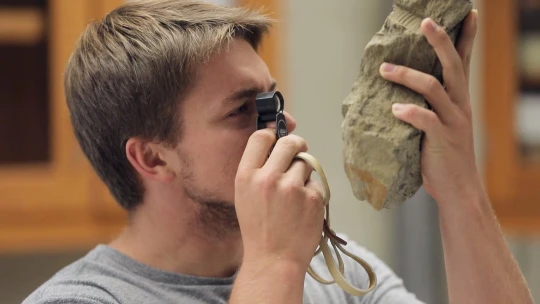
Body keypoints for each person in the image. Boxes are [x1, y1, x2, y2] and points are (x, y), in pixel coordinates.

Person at [24, 0, 533, 303]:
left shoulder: (340, 274)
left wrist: (461, 188)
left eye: (273, 99)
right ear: (153, 159)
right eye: (242, 110)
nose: (282, 125)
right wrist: (273, 265)